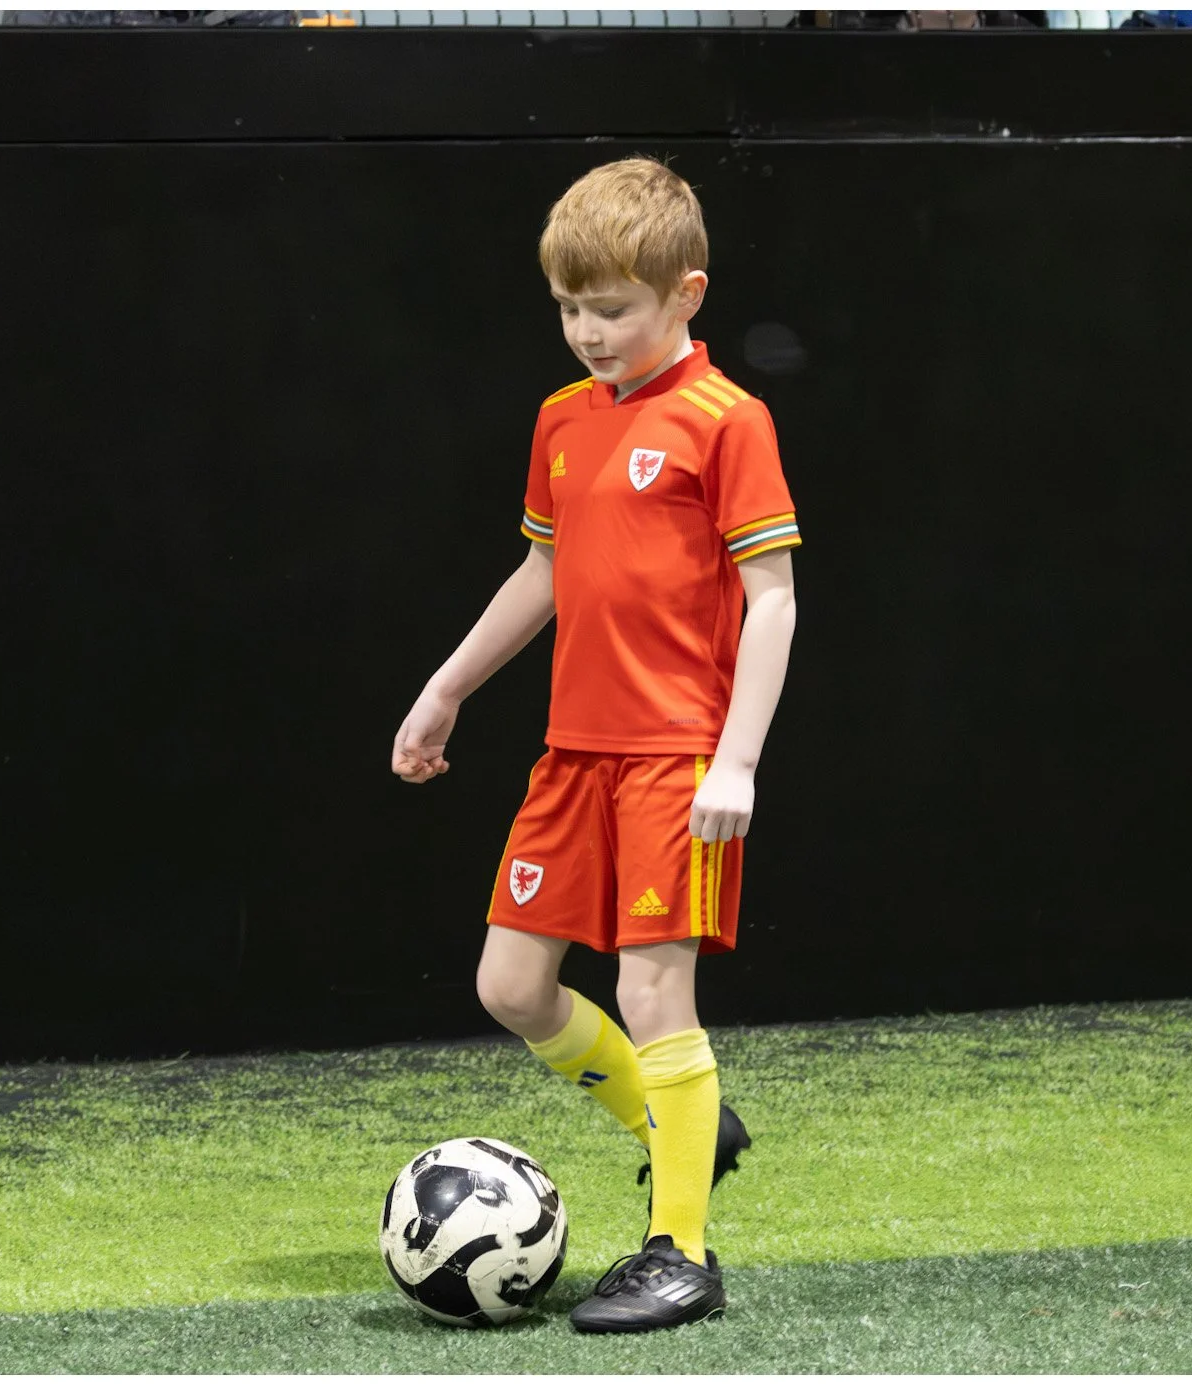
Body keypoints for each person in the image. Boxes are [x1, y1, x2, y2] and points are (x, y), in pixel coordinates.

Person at [391, 157, 802, 1332]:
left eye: (611, 309)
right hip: (573, 752)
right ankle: (685, 1125)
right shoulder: (560, 423)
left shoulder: (730, 420)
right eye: (569, 309)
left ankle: (682, 1250)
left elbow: (770, 596)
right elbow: (545, 572)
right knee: (510, 983)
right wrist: (446, 688)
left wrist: (738, 758)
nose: (587, 332)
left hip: (676, 755)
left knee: (652, 985)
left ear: (686, 293)